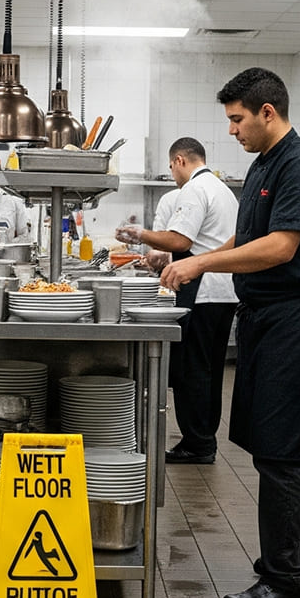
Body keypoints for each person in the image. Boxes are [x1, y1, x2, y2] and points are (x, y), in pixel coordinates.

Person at [160, 68, 300, 598]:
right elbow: (250, 236)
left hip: (295, 317)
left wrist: (202, 261)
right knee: (284, 441)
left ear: (268, 112)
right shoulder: (263, 164)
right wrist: (186, 259)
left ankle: (283, 580)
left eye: (238, 120)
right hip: (266, 316)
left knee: (278, 450)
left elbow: (282, 247)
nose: (232, 131)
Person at [117, 137, 238, 464]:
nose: (173, 175)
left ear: (180, 160)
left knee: (191, 370)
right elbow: (200, 242)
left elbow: (181, 239)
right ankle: (204, 439)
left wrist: (138, 234)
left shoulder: (195, 189)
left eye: (172, 168)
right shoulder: (222, 189)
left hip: (202, 290)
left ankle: (197, 444)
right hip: (226, 290)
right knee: (211, 370)